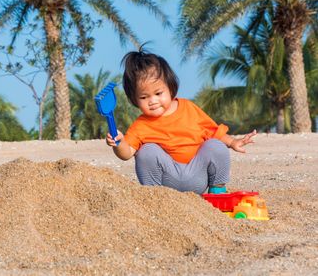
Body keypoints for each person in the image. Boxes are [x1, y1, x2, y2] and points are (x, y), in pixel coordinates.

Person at [105, 49, 256, 195]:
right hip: (166, 181)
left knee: (215, 145)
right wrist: (119, 143)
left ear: (170, 88)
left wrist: (232, 142)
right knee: (146, 152)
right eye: (144, 97)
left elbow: (213, 132)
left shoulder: (188, 108)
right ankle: (153, 196)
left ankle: (217, 191)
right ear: (134, 100)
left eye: (158, 93)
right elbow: (126, 153)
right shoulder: (141, 125)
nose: (153, 101)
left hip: (197, 174)